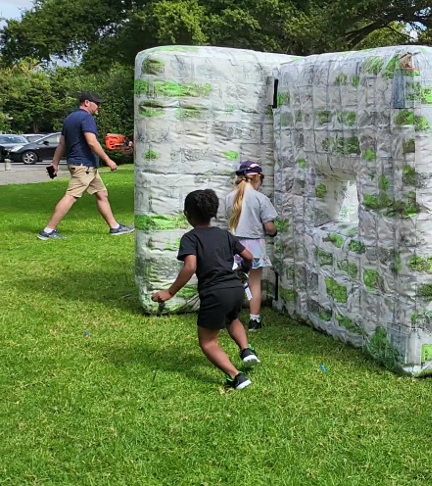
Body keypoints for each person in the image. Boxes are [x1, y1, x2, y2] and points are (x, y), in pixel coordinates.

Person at [152, 189, 261, 390]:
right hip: (236, 288)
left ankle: (236, 376)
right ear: (213, 213)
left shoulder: (190, 238)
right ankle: (246, 350)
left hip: (215, 293)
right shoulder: (224, 234)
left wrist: (170, 292)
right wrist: (243, 272)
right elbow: (249, 257)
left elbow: (190, 266)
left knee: (208, 341)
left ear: (187, 214)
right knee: (232, 319)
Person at [38, 92, 134, 240]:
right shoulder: (86, 118)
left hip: (82, 165)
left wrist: (54, 163)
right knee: (71, 196)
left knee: (102, 194)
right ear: (87, 102)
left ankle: (115, 227)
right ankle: (48, 230)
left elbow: (62, 144)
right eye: (97, 104)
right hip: (84, 166)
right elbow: (92, 142)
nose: (99, 107)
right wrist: (108, 161)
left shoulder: (70, 118)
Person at [224, 161, 278, 332]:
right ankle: (254, 320)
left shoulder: (229, 198)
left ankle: (229, 316)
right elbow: (269, 227)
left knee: (234, 281)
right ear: (257, 179)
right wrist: (274, 232)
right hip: (253, 245)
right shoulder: (261, 199)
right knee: (254, 282)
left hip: (233, 244)